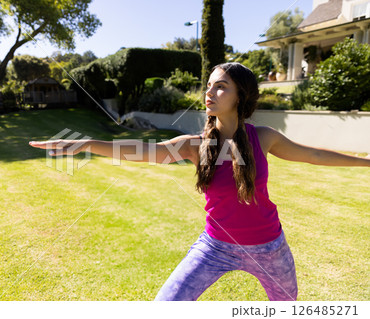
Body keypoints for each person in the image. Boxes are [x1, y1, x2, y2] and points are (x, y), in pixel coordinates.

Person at [29, 62, 370, 301]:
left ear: (241, 96)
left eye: (221, 86)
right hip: (215, 247)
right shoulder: (196, 144)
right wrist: (87, 143)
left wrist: (366, 161)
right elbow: (140, 150)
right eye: (208, 86)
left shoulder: (262, 137)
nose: (210, 92)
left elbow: (316, 155)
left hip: (269, 248)